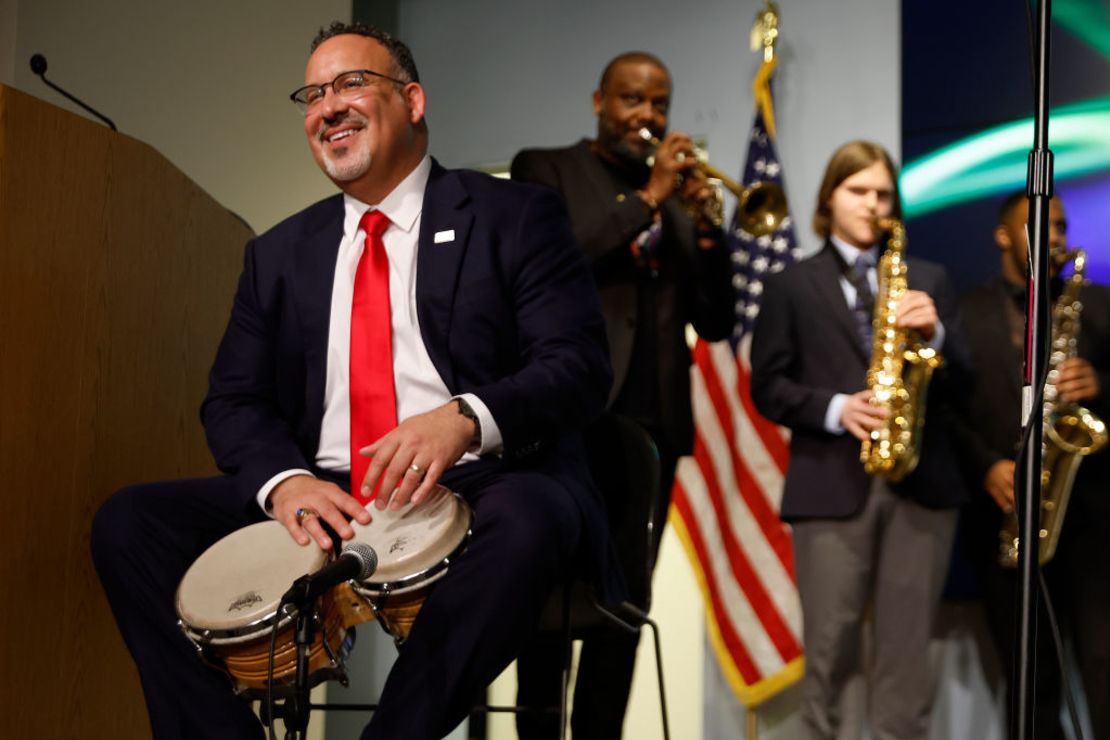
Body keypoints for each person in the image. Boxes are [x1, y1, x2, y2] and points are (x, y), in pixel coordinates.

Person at [90, 22, 622, 740]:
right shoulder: (276, 256)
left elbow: (579, 366)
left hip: (473, 478)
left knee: (531, 514)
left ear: (412, 100)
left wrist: (464, 417)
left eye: (350, 84)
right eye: (312, 94)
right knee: (129, 523)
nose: (327, 106)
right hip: (326, 491)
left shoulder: (513, 215)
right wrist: (286, 483)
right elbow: (233, 399)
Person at [509, 51, 734, 738]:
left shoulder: (677, 195)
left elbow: (717, 321)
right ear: (599, 99)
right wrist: (650, 201)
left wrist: (708, 229)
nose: (648, 117)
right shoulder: (544, 169)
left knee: (625, 606)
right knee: (547, 605)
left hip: (653, 427)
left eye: (659, 104)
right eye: (633, 100)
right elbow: (555, 263)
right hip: (570, 423)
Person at [748, 140, 970, 740]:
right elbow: (766, 386)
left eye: (883, 193)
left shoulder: (930, 279)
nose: (873, 204)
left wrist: (940, 334)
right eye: (858, 190)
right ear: (829, 198)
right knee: (829, 648)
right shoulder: (793, 283)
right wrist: (836, 407)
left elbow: (970, 380)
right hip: (830, 483)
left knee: (906, 653)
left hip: (920, 484)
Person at [957, 192, 1110, 738]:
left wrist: (1103, 385)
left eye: (1062, 226)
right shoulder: (968, 309)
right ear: (1003, 236)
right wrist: (987, 465)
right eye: (1040, 225)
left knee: (1103, 668)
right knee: (1031, 682)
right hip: (1009, 515)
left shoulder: (1098, 303)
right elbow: (949, 409)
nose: (1055, 236)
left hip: (1092, 520)